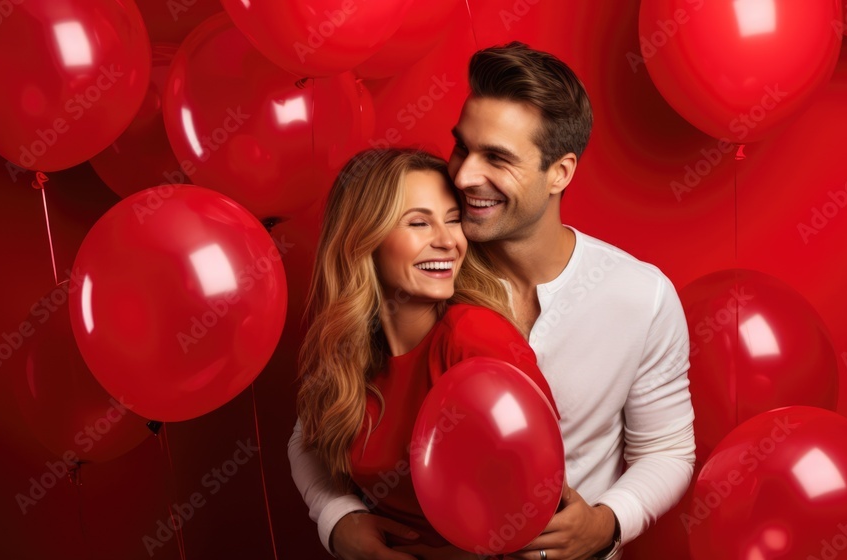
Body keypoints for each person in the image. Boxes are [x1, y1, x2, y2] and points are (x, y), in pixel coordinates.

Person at [290, 43, 696, 560]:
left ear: (560, 172)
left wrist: (606, 524)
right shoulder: (421, 272)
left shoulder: (640, 295)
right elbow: (320, 421)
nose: (462, 177)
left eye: (497, 158)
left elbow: (667, 450)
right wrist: (337, 518)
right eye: (462, 148)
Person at [293, 148, 561, 560]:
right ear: (364, 239)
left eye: (453, 220)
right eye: (419, 223)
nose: (448, 241)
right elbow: (305, 440)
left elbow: (536, 495)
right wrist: (338, 519)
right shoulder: (350, 350)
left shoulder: (475, 338)